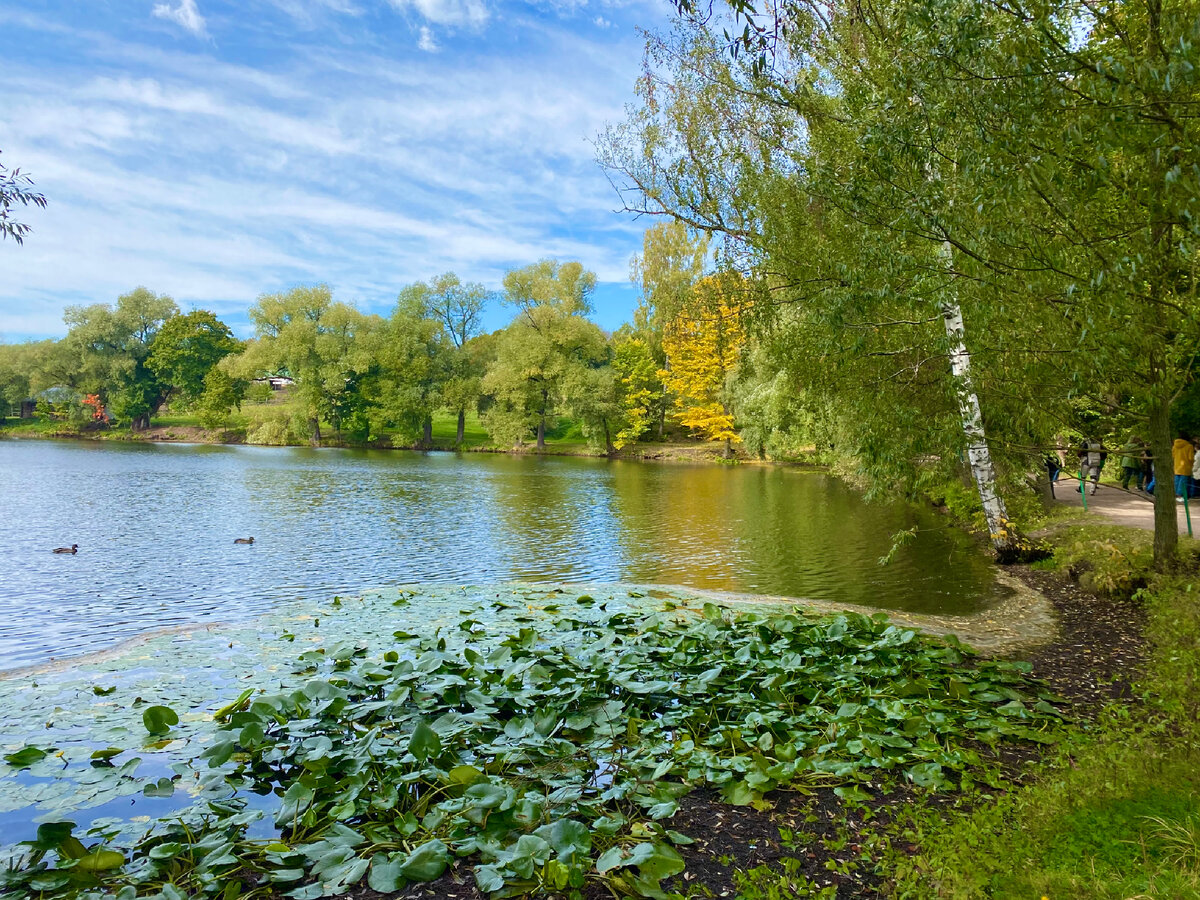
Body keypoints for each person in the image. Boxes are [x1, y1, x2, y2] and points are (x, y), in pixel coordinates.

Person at [1172, 434, 1195, 500]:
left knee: (1176, 482)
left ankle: (1175, 495)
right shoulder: (1189, 446)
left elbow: (1173, 456)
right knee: (1183, 483)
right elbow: (1190, 458)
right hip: (1186, 467)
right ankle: (1180, 496)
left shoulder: (1174, 446)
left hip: (1177, 467)